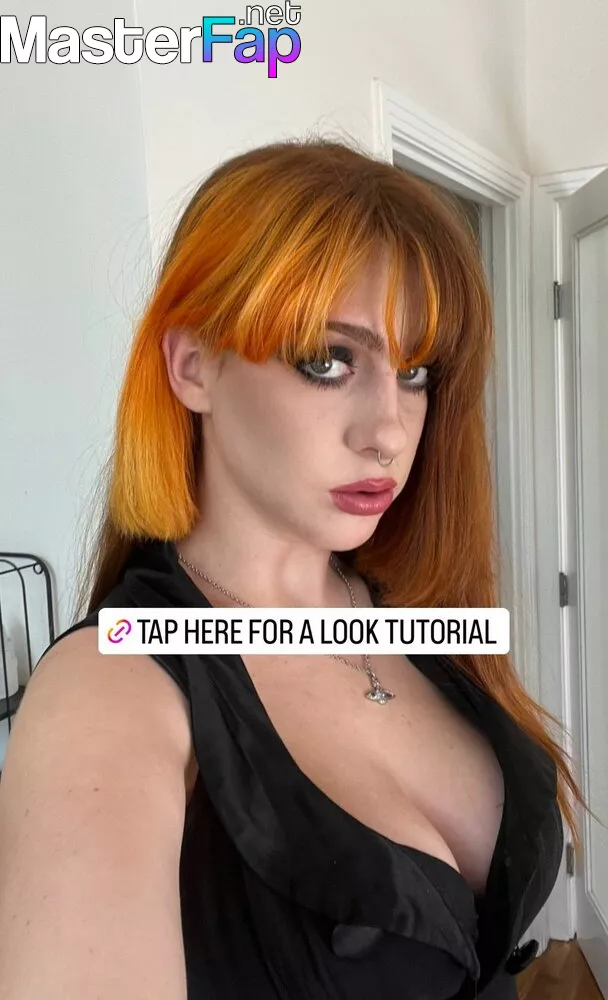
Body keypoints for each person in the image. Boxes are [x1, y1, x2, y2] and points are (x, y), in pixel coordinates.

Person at [0, 138, 586, 1000]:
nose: (388, 431)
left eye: (416, 371)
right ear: (193, 365)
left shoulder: (418, 610)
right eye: (327, 360)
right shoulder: (109, 686)